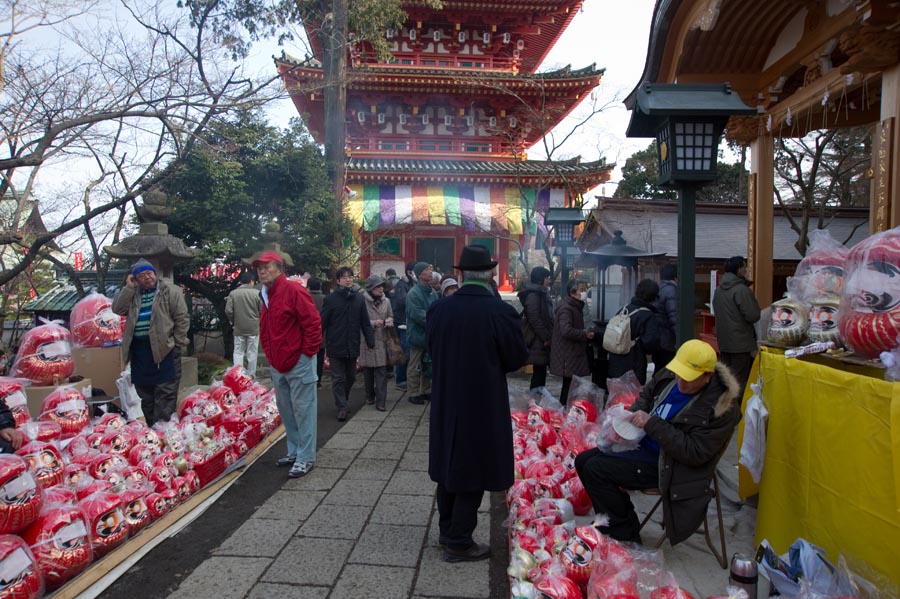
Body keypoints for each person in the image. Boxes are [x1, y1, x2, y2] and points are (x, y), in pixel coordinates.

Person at [574, 339, 741, 544]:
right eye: (679, 373)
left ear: (707, 377)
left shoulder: (721, 408)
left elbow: (695, 452)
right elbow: (646, 395)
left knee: (596, 469)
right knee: (582, 461)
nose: (681, 381)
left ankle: (625, 532)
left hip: (671, 465)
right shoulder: (671, 376)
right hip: (644, 444)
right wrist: (629, 419)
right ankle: (613, 520)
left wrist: (652, 424)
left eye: (689, 378)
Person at [426, 244, 528, 562]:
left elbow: (431, 350)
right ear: (490, 275)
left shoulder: (439, 310)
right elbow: (515, 359)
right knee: (474, 465)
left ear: (461, 274)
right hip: (482, 400)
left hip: (445, 398)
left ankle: (447, 530)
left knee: (448, 463)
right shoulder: (500, 312)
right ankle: (459, 541)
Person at [255, 251, 322, 478]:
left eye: (267, 266)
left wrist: (307, 354)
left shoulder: (293, 290)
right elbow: (266, 328)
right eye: (259, 268)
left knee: (304, 410)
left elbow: (313, 323)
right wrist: (270, 355)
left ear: (280, 269)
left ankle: (306, 457)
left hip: (299, 361)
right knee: (286, 410)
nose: (262, 271)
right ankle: (294, 451)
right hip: (278, 362)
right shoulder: (265, 294)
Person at [112, 259, 189, 425]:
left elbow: (182, 318)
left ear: (155, 273)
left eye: (149, 273)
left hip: (165, 350)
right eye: (141, 275)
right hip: (140, 352)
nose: (147, 278)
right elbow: (117, 309)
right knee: (145, 396)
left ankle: (164, 432)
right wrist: (129, 288)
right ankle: (152, 432)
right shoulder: (133, 294)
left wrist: (177, 343)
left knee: (165, 395)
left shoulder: (170, 291)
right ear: (136, 279)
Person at [321, 266, 374, 422]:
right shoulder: (331, 299)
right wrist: (316, 341)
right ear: (338, 281)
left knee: (351, 376)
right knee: (338, 377)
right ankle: (342, 407)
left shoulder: (358, 298)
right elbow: (322, 322)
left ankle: (342, 399)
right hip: (335, 344)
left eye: (350, 276)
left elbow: (365, 322)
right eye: (344, 277)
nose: (348, 279)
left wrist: (370, 340)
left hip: (352, 343)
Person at [712, 256, 761, 392]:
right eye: (744, 267)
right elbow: (753, 315)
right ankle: (735, 411)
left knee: (726, 379)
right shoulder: (741, 290)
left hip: (724, 342)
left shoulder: (719, 291)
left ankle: (724, 408)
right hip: (741, 343)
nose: (746, 270)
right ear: (739, 270)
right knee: (740, 381)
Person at [607, 279, 665, 385]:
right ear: (653, 297)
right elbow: (650, 343)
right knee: (631, 397)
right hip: (634, 363)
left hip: (615, 361)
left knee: (617, 396)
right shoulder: (648, 316)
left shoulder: (624, 309)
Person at [549, 279, 595, 404]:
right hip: (568, 353)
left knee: (571, 384)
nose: (584, 292)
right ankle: (564, 409)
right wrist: (584, 334)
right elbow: (566, 330)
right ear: (572, 293)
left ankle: (567, 409)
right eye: (581, 290)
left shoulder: (575, 306)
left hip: (572, 352)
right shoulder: (567, 308)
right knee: (569, 385)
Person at [359, 275, 394, 411]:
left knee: (381, 372)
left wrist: (389, 320)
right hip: (367, 340)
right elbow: (359, 320)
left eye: (382, 286)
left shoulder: (387, 301)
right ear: (371, 288)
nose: (381, 289)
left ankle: (381, 401)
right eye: (378, 286)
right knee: (368, 371)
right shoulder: (362, 301)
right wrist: (373, 323)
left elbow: (391, 315)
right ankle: (369, 396)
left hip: (382, 339)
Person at [406, 262, 437, 405]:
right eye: (427, 269)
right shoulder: (413, 293)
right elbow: (418, 315)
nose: (430, 272)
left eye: (430, 269)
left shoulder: (433, 292)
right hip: (418, 334)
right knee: (415, 364)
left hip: (431, 334)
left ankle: (426, 390)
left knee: (428, 363)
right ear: (419, 274)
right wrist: (436, 322)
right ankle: (413, 392)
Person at [518, 266, 554, 389]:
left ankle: (537, 401)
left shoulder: (541, 294)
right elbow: (534, 318)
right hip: (537, 340)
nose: (548, 281)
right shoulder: (534, 296)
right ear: (540, 280)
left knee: (541, 372)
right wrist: (546, 337)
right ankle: (535, 401)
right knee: (539, 372)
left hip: (540, 339)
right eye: (546, 278)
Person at [225, 272, 262, 377]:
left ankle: (238, 376)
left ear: (241, 282)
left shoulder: (233, 293)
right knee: (252, 353)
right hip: (253, 328)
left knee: (238, 352)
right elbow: (263, 311)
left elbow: (228, 310)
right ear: (251, 281)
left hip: (238, 327)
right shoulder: (257, 293)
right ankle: (251, 376)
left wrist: (233, 321)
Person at [390, 262, 416, 391]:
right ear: (410, 272)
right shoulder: (402, 285)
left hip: (407, 323)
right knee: (403, 352)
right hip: (401, 323)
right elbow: (402, 301)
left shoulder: (410, 284)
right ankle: (400, 380)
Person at [653, 264, 678, 374]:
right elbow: (674, 317)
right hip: (668, 339)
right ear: (675, 277)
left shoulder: (659, 288)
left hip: (658, 337)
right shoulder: (672, 291)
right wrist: (680, 338)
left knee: (659, 369)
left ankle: (655, 390)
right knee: (667, 371)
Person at [307, 278, 326, 386]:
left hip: (307, 333)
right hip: (321, 332)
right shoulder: (324, 299)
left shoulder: (305, 297)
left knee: (309, 357)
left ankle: (309, 378)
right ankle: (318, 380)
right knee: (320, 358)